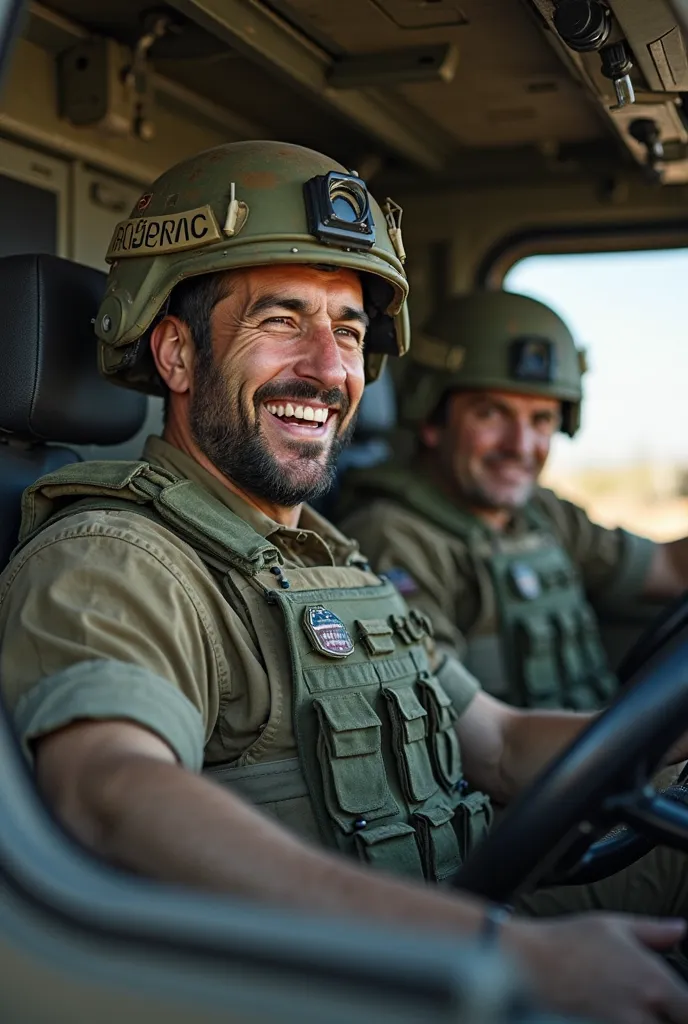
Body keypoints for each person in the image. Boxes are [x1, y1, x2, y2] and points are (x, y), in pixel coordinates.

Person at [1, 141, 688, 1024]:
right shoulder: (115, 557)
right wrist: (497, 954)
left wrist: (667, 740)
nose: (330, 370)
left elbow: (505, 746)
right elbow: (110, 793)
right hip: (361, 980)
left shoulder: (326, 559)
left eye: (351, 330)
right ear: (175, 354)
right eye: (281, 320)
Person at [338, 291, 688, 711]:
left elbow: (667, 568)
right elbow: (455, 725)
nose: (520, 447)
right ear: (432, 419)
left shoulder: (541, 513)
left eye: (541, 420)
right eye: (491, 414)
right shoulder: (390, 536)